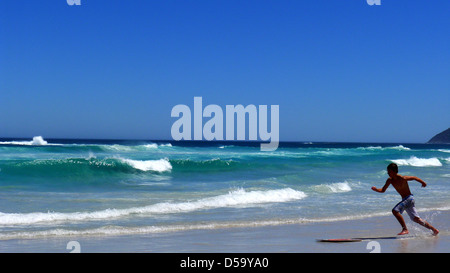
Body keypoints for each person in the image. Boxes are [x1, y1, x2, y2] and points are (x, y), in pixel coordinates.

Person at [371, 163, 439, 236]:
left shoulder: (402, 178)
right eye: (387, 171)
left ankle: (405, 229)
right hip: (406, 200)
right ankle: (434, 230)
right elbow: (383, 190)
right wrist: (376, 189)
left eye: (389, 171)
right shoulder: (390, 180)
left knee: (395, 210)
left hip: (409, 198)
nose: (388, 173)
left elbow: (414, 178)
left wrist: (423, 183)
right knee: (416, 219)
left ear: (394, 171)